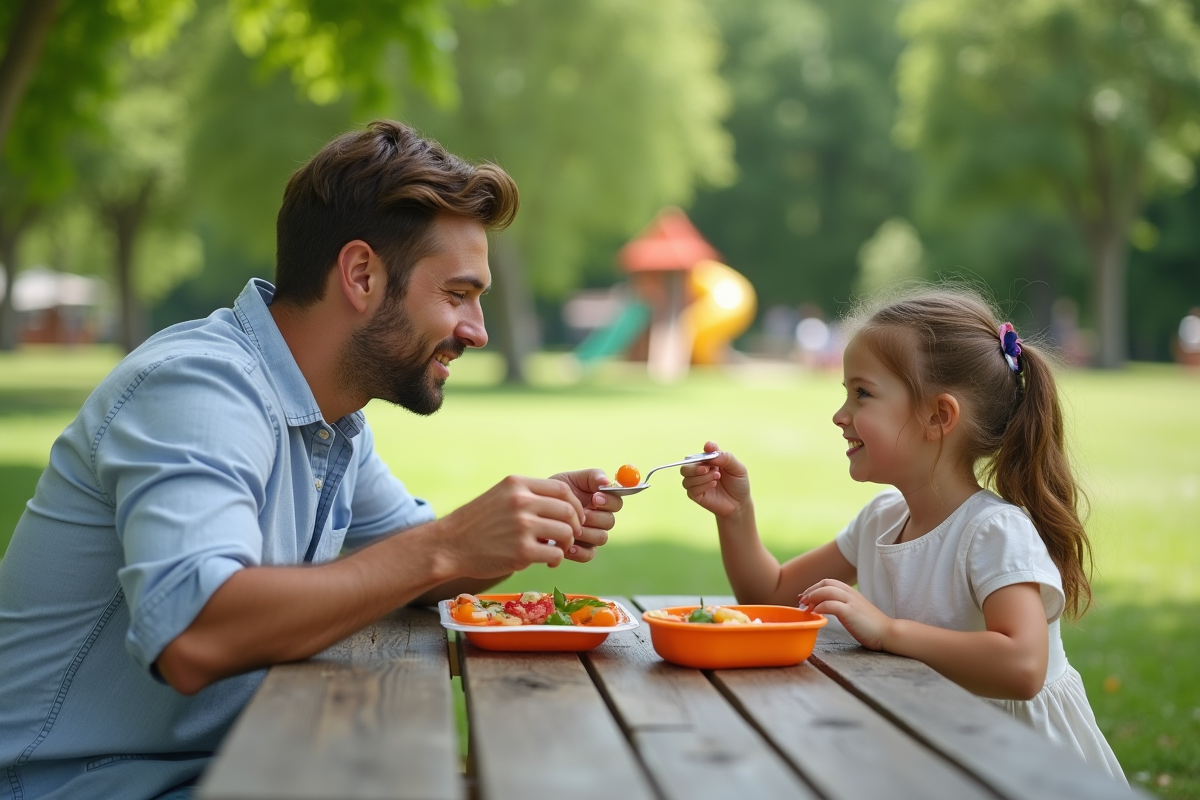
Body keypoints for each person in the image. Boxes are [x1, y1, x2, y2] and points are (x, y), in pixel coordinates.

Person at [0, 120, 623, 800]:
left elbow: (412, 564)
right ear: (360, 275)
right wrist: (449, 545)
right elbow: (194, 631)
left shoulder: (332, 421)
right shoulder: (199, 388)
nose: (475, 330)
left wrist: (522, 526)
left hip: (227, 768)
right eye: (457, 294)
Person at [679, 286, 1125, 782]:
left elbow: (1022, 666)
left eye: (862, 393)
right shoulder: (881, 520)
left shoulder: (992, 532)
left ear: (939, 417)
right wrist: (736, 514)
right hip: (941, 749)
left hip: (1026, 765)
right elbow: (771, 595)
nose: (840, 414)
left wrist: (888, 632)